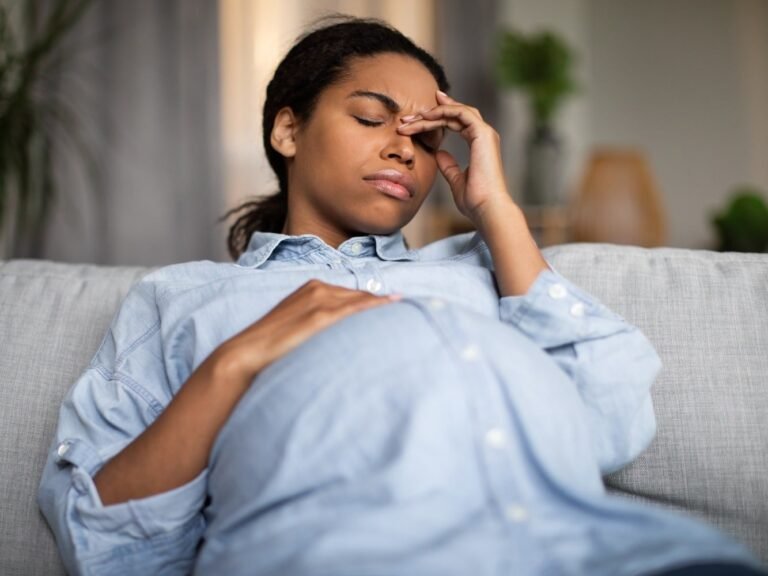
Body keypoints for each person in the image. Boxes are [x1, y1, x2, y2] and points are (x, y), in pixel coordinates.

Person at [39, 16, 764, 576]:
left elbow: (613, 416)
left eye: (424, 139)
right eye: (369, 117)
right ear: (287, 129)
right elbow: (105, 543)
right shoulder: (185, 299)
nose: (400, 150)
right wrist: (235, 364)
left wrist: (498, 212)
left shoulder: (482, 270)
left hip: (585, 549)